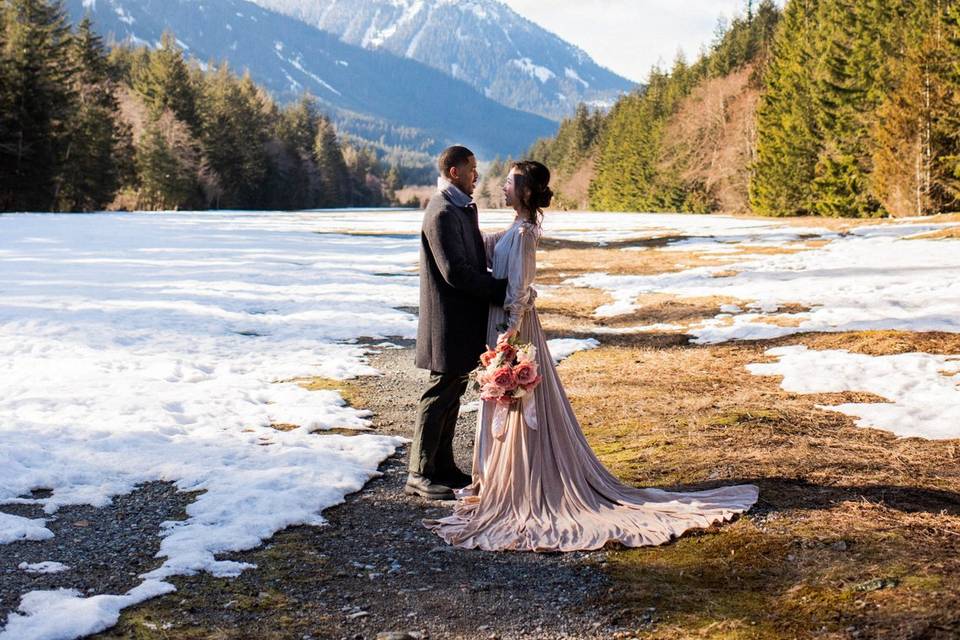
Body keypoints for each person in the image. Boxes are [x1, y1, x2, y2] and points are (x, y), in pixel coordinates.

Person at [424, 160, 759, 551]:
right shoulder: (515, 229)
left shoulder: (526, 233)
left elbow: (518, 290)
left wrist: (507, 343)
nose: (503, 186)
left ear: (527, 192)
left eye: (511, 182)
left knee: (519, 406)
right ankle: (506, 477)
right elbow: (481, 249)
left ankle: (527, 482)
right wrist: (454, 215)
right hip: (504, 324)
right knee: (510, 408)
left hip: (512, 328)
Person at [408, 146, 508, 500]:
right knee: (438, 393)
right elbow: (454, 272)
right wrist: (498, 289)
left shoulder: (460, 208)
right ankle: (419, 473)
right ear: (454, 172)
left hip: (461, 320)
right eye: (471, 169)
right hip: (445, 322)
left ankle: (443, 466)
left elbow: (473, 257)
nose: (476, 175)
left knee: (452, 393)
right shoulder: (441, 212)